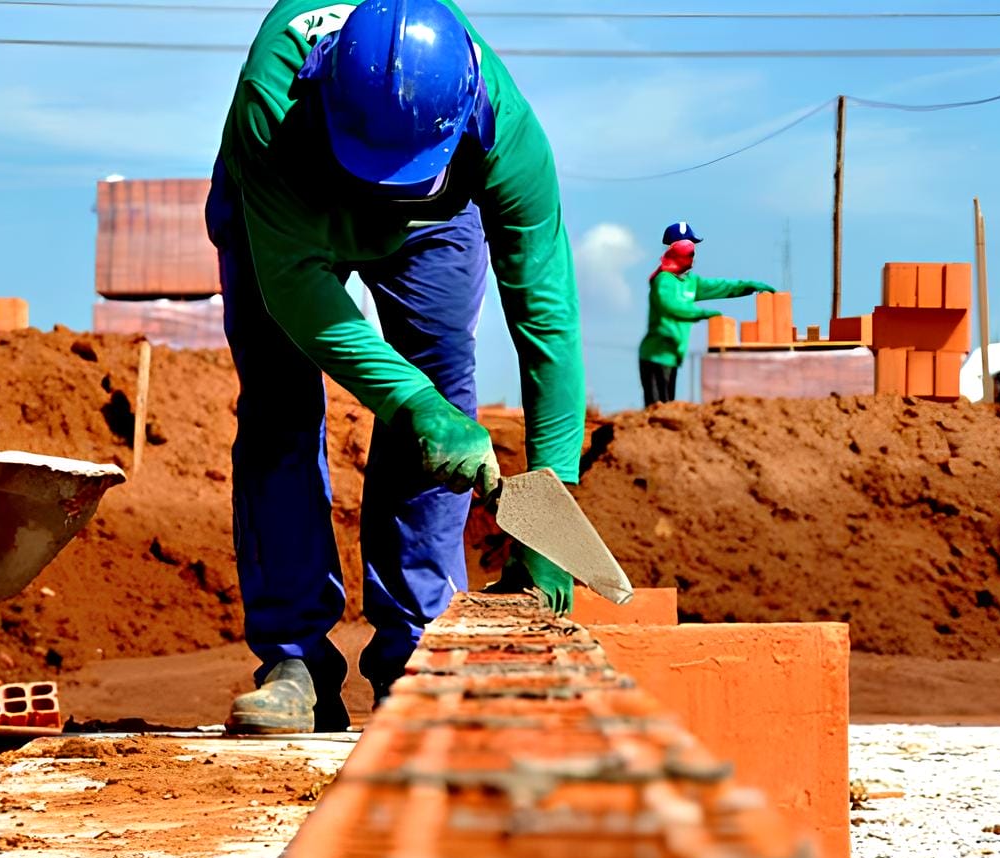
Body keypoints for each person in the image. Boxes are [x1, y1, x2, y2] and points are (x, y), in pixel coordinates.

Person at [205, 0, 585, 735]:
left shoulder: (504, 131)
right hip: (287, 195)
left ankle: (417, 651)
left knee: (443, 397)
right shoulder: (272, 105)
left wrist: (551, 506)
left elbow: (548, 318)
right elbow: (298, 295)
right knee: (281, 405)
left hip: (437, 217)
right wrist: (414, 403)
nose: (379, 197)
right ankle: (295, 661)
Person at [638, 240, 772, 407]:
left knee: (667, 404)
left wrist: (748, 286)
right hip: (655, 353)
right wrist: (701, 313)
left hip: (673, 354)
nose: (692, 260)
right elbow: (670, 306)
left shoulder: (690, 282)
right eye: (689, 256)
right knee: (656, 406)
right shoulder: (663, 281)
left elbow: (720, 286)